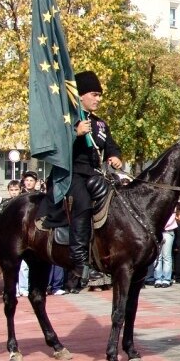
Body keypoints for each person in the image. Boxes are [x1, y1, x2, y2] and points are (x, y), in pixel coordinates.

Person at [66, 70, 123, 288]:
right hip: (72, 173)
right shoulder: (69, 118)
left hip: (95, 173)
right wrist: (75, 133)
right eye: (94, 94)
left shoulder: (100, 124)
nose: (98, 99)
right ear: (80, 95)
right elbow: (56, 145)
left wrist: (115, 156)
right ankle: (79, 261)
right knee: (81, 203)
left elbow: (110, 145)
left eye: (100, 95)